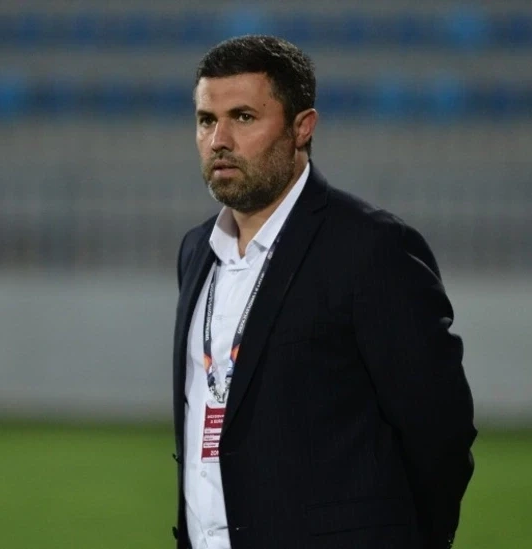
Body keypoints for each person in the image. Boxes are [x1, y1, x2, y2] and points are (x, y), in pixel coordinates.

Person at [172, 35, 476, 549]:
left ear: (302, 128)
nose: (219, 139)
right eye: (206, 120)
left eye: (243, 117)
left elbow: (439, 431)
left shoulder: (370, 248)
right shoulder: (196, 250)